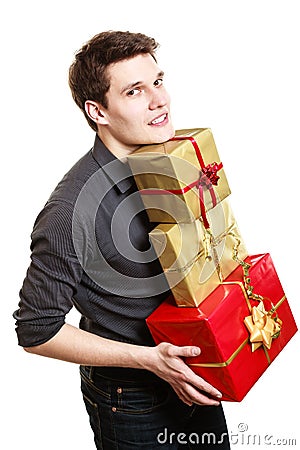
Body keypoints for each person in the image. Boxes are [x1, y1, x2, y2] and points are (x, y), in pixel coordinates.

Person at [13, 31, 231, 449]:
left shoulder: (173, 162)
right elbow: (36, 329)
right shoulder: (68, 211)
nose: (159, 100)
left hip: (195, 371)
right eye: (135, 91)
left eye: (158, 81)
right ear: (98, 111)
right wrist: (151, 361)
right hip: (131, 398)